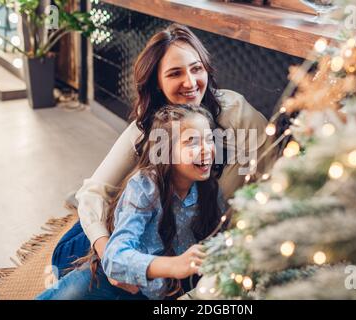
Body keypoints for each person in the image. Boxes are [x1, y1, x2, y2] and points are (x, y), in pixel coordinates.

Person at [52, 23, 276, 292]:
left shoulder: (236, 113)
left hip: (187, 241)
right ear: (157, 83)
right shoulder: (146, 126)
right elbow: (92, 192)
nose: (190, 83)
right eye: (175, 73)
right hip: (132, 232)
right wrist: (109, 255)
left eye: (197, 68)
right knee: (74, 269)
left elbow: (268, 178)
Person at [37, 104, 226, 299]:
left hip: (157, 288)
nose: (206, 150)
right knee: (69, 291)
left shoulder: (209, 188)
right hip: (112, 275)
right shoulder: (145, 187)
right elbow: (114, 258)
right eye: (192, 142)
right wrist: (175, 265)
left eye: (210, 139)